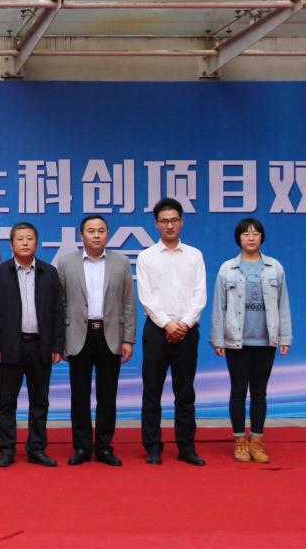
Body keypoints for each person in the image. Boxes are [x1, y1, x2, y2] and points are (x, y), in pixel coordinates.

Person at [210, 218, 292, 463]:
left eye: (255, 233)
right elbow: (219, 306)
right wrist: (218, 339)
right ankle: (239, 441)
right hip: (236, 341)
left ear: (262, 237)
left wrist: (285, 336)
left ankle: (256, 440)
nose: (251, 237)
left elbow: (283, 304)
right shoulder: (227, 269)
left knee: (259, 392)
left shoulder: (274, 267)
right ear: (239, 238)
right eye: (246, 234)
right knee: (238, 391)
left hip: (266, 341)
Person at [58, 215, 136, 466]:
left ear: (107, 234)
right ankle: (82, 447)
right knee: (79, 395)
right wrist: (60, 340)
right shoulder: (66, 263)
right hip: (78, 335)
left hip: (109, 334)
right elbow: (60, 303)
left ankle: (104, 447)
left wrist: (128, 338)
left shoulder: (121, 262)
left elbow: (128, 302)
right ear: (81, 235)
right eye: (90, 231)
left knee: (107, 396)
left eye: (101, 230)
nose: (96, 235)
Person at [0, 222, 64, 468]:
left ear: (36, 243)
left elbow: (57, 311)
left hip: (40, 346)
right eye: (20, 239)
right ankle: (7, 449)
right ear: (11, 244)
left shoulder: (49, 273)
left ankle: (37, 449)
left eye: (29, 238)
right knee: (6, 402)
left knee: (40, 402)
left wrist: (57, 345)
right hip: (10, 346)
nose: (25, 242)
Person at [137, 197, 207, 466]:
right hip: (156, 331)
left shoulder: (194, 255)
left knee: (185, 392)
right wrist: (167, 324)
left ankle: (186, 447)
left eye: (174, 220)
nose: (169, 225)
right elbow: (146, 297)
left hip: (187, 331)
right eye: (164, 221)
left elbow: (200, 294)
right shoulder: (146, 256)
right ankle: (153, 447)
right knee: (152, 392)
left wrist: (185, 324)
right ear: (156, 224)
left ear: (182, 222)